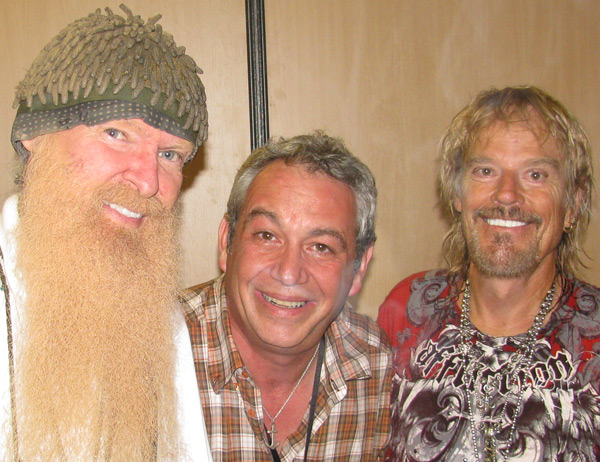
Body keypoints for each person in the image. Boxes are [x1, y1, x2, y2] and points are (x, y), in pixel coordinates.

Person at [0, 5, 212, 461]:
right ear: (35, 137)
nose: (149, 182)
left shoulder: (157, 317)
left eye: (172, 155)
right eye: (117, 133)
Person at [378, 85, 600, 461]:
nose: (507, 194)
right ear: (457, 194)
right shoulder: (407, 309)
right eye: (485, 171)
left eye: (535, 175)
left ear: (573, 204)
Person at [182, 132, 391, 461]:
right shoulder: (152, 355)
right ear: (227, 243)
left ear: (359, 267)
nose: (289, 272)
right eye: (267, 235)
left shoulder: (382, 373)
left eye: (321, 247)